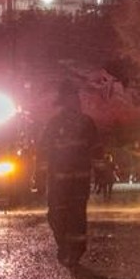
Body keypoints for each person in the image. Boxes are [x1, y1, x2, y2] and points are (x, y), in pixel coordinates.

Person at [41, 80, 98, 264]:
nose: (74, 102)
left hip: (77, 183)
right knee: (57, 215)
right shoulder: (54, 125)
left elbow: (97, 149)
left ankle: (74, 251)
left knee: (76, 216)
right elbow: (43, 151)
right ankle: (65, 247)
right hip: (59, 182)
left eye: (75, 99)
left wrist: (103, 172)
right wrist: (40, 177)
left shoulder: (87, 123)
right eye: (70, 99)